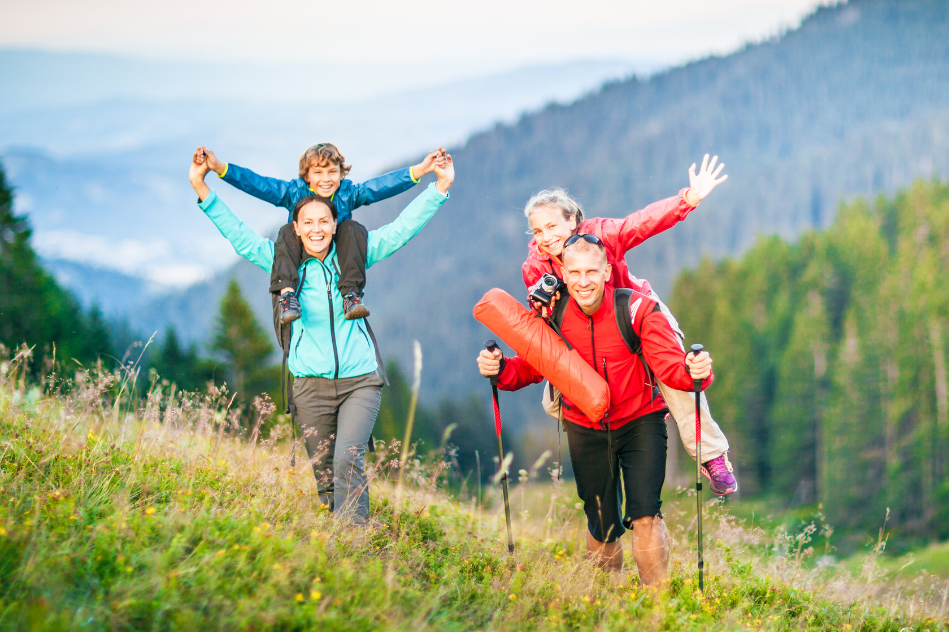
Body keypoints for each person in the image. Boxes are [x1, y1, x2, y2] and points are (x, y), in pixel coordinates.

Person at [188, 147, 455, 523]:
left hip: (359, 379)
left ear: (335, 225)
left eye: (324, 221)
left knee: (348, 459)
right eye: (308, 223)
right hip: (309, 383)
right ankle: (340, 543)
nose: (316, 229)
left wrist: (439, 187)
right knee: (326, 476)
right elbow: (240, 236)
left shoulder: (355, 256)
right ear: (295, 228)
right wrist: (203, 187)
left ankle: (357, 541)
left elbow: (401, 230)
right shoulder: (283, 265)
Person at [477, 236, 714, 588]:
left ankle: (658, 609)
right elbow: (532, 367)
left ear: (607, 272)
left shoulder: (638, 310)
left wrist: (697, 371)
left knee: (646, 515)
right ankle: (604, 602)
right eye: (574, 272)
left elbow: (671, 369)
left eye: (591, 271)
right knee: (601, 525)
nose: (583, 280)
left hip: (640, 422)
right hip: (584, 426)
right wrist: (499, 370)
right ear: (564, 274)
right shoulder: (554, 314)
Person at [521, 154, 737, 494]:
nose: (546, 237)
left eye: (552, 227)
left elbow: (640, 222)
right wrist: (542, 308)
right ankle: (623, 421)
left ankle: (711, 455)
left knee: (674, 375)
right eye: (538, 231)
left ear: (573, 221)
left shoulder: (601, 236)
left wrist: (688, 199)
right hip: (589, 332)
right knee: (553, 401)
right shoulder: (536, 266)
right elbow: (542, 326)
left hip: (636, 313)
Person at [195, 143, 443, 323]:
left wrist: (419, 171)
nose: (326, 179)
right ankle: (287, 296)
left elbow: (378, 188)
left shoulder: (348, 193)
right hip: (300, 252)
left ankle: (351, 295)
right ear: (306, 177)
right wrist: (220, 168)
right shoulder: (293, 193)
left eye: (332, 172)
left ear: (341, 174)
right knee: (287, 233)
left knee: (352, 229)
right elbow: (258, 184)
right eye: (318, 172)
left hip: (338, 250)